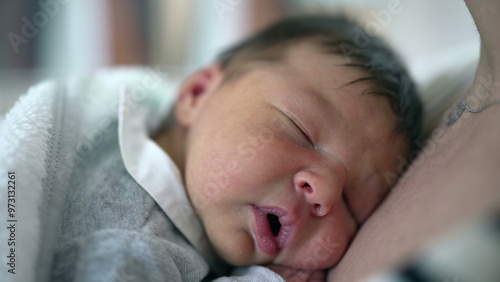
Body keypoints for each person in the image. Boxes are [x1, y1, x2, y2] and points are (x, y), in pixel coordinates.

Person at [0, 16, 421, 282]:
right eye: (300, 131)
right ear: (197, 92)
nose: (324, 191)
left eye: (351, 206)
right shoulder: (132, 229)